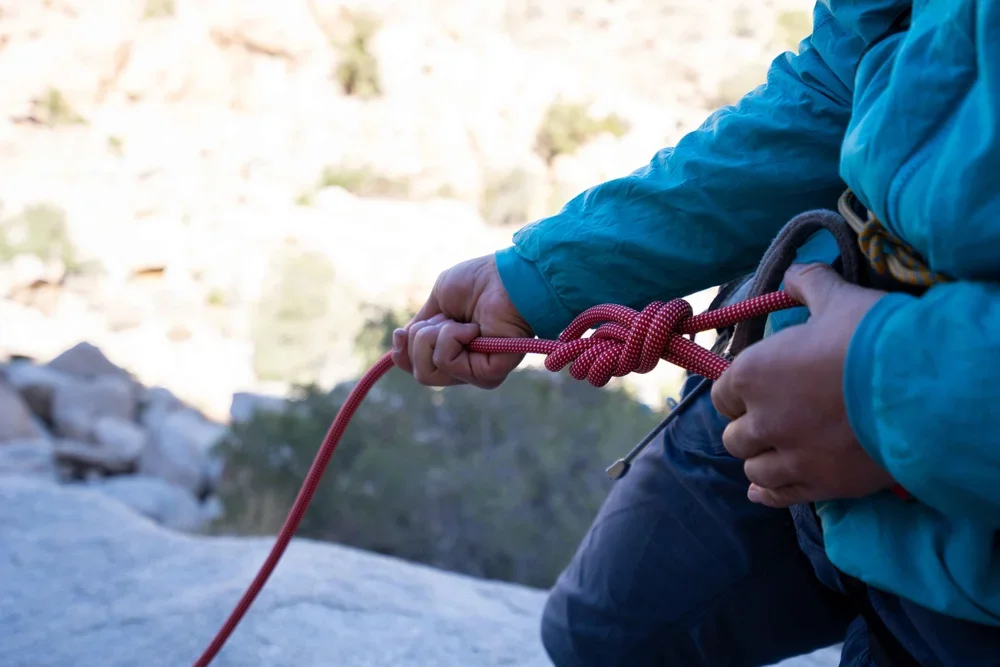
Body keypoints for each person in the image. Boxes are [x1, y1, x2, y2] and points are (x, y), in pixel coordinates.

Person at [391, 2, 1000, 665]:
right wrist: (548, 272)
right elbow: (840, 80)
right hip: (799, 359)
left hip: (959, 510)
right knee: (602, 633)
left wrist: (893, 390)